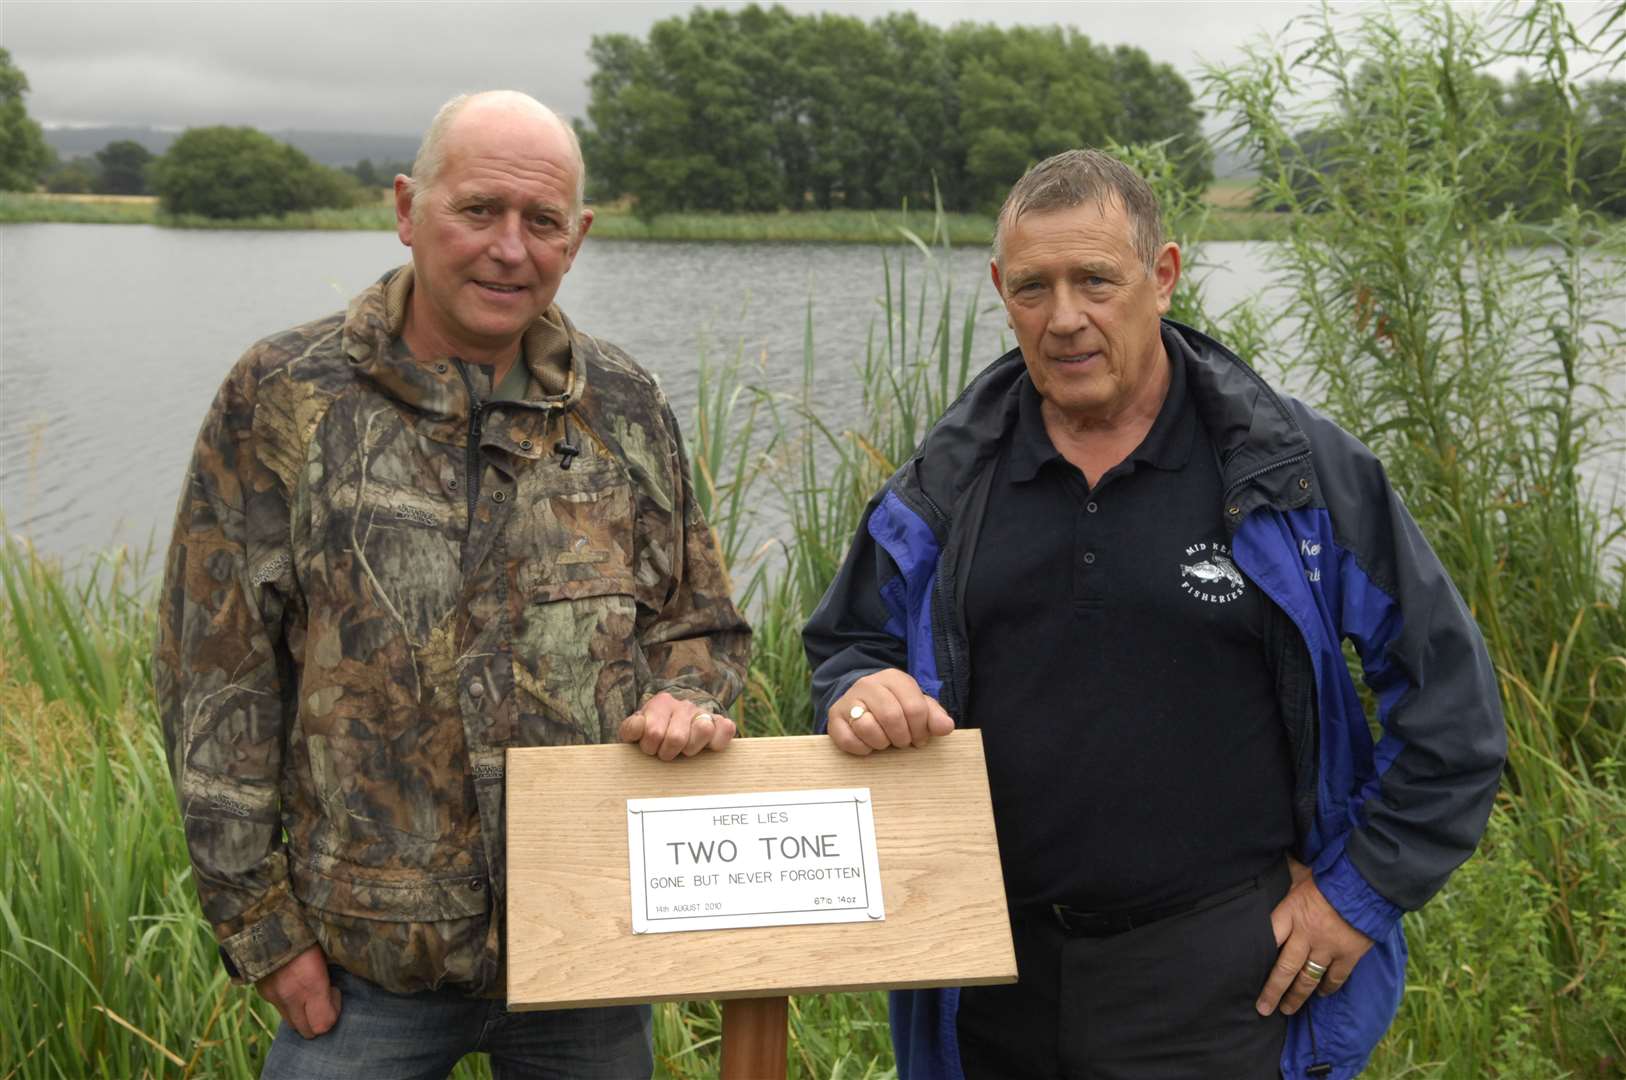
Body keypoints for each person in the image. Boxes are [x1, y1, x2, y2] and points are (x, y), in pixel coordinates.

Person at [803, 149, 1505, 1079]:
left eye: (1096, 279)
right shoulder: (945, 481)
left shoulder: (1295, 474)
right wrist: (861, 690)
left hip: (1220, 977)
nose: (1063, 319)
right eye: (1032, 288)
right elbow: (846, 645)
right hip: (990, 977)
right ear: (999, 291)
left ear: (1163, 275)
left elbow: (1453, 705)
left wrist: (1359, 894)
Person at [155, 90, 750, 1079]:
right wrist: (263, 933)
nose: (509, 249)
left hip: (584, 958)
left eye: (542, 222)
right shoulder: (285, 396)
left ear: (579, 236)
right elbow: (213, 677)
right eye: (479, 210)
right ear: (406, 208)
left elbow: (702, 624)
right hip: (359, 973)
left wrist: (687, 699)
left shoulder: (625, 405)